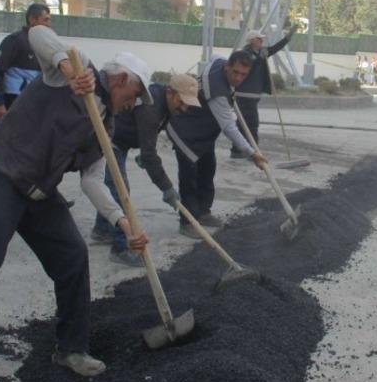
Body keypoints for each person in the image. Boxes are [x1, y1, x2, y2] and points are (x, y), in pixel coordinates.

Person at [0, 29, 153, 382]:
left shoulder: (106, 123)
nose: (132, 104)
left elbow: (93, 179)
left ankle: (72, 349)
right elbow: (38, 34)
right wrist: (67, 66)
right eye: (134, 95)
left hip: (39, 191)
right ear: (120, 79)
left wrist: (121, 223)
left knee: (73, 256)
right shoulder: (73, 72)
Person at [90, 73, 201, 266]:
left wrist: (144, 152)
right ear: (170, 92)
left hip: (121, 141)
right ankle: (121, 247)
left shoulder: (164, 103)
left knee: (114, 189)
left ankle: (101, 230)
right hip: (109, 140)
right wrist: (166, 188)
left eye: (188, 104)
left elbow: (148, 140)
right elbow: (150, 154)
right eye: (182, 101)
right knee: (121, 190)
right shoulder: (151, 108)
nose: (184, 108)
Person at [168, 50, 268, 238]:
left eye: (243, 74)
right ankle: (188, 221)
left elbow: (215, 55)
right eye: (235, 72)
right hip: (185, 128)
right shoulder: (218, 93)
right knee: (189, 175)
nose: (238, 78)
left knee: (208, 168)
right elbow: (229, 127)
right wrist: (251, 153)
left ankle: (203, 212)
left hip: (204, 131)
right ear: (227, 67)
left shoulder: (218, 62)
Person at [231, 23, 295, 157]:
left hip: (253, 95)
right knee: (251, 124)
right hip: (244, 95)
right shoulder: (245, 53)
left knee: (243, 123)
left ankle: (238, 150)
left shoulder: (260, 52)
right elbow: (249, 63)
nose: (262, 41)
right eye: (259, 39)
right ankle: (253, 152)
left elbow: (273, 49)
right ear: (252, 40)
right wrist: (260, 57)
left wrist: (287, 39)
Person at [0, 2, 48, 122]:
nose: (48, 25)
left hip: (35, 104)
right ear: (32, 19)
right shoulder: (14, 41)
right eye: (45, 20)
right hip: (14, 104)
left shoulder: (44, 44)